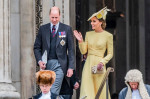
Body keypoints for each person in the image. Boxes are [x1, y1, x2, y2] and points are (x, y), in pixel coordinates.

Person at [34, 6, 75, 98]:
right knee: (46, 91)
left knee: (53, 90)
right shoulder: (43, 29)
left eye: (56, 17)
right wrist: (39, 61)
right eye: (52, 17)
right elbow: (36, 47)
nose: (54, 19)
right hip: (46, 65)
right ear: (49, 16)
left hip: (60, 65)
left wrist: (71, 67)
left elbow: (71, 50)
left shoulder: (67, 29)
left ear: (59, 16)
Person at [74, 7, 113, 99]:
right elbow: (84, 51)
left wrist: (102, 62)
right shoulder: (88, 34)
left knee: (101, 90)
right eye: (91, 21)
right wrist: (80, 41)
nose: (91, 23)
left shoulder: (108, 36)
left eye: (94, 21)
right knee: (87, 90)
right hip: (88, 64)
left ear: (101, 22)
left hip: (99, 65)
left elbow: (110, 53)